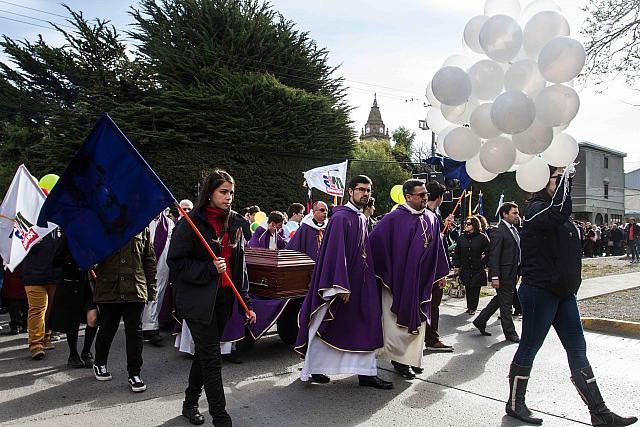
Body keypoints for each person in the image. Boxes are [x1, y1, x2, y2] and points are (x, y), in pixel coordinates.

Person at [505, 167, 638, 426]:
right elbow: (557, 211)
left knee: (578, 350)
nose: (564, 184)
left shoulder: (559, 214)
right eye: (558, 179)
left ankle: (600, 413)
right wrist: (563, 179)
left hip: (564, 293)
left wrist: (565, 176)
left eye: (564, 179)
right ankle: (515, 404)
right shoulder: (536, 210)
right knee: (530, 347)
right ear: (543, 183)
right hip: (539, 292)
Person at [167, 170, 256, 426]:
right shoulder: (190, 222)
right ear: (209, 193)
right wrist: (208, 269)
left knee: (207, 354)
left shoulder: (237, 222)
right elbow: (176, 262)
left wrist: (246, 303)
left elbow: (240, 267)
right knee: (212, 359)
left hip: (225, 298)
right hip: (197, 301)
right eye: (223, 192)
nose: (229, 197)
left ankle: (189, 403)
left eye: (231, 193)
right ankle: (221, 418)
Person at [294, 175, 392, 390]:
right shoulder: (341, 218)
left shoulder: (361, 218)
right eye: (361, 189)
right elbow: (335, 254)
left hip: (363, 283)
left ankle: (366, 373)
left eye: (368, 190)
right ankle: (315, 367)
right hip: (344, 285)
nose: (365, 193)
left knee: (367, 323)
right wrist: (340, 285)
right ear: (350, 191)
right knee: (327, 323)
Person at [369, 179, 449, 379]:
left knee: (420, 323)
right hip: (397, 282)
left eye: (426, 195)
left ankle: (413, 359)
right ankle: (399, 361)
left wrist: (440, 274)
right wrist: (385, 273)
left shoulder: (431, 218)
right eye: (420, 195)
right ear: (408, 197)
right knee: (397, 325)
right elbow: (374, 245)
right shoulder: (393, 219)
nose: (425, 198)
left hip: (421, 282)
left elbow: (437, 248)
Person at [92, 231, 157, 393]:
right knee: (107, 328)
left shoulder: (142, 226)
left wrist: (151, 289)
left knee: (134, 332)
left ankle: (134, 373)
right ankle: (99, 362)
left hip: (135, 289)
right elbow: (91, 256)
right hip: (109, 289)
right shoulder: (102, 224)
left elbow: (149, 259)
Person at [473, 202, 521, 343]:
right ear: (504, 214)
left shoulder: (514, 229)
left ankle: (480, 320)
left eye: (517, 212)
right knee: (506, 304)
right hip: (503, 274)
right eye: (514, 213)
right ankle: (510, 333)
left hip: (513, 273)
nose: (517, 215)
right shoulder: (498, 231)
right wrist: (495, 276)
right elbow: (494, 255)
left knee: (500, 300)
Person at [49, 248, 98, 368]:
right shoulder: (68, 235)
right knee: (73, 321)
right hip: (71, 284)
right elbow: (56, 261)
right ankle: (73, 354)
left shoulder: (95, 232)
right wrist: (73, 260)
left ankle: (86, 352)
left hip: (90, 284)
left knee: (93, 318)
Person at [22, 228, 65, 360]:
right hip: (33, 274)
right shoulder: (27, 221)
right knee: (37, 309)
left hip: (54, 274)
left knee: (50, 309)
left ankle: (46, 335)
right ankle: (36, 345)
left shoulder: (57, 222)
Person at [424, 181, 454, 352]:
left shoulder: (434, 215)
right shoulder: (427, 215)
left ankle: (431, 336)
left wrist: (445, 226)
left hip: (434, 269)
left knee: (432, 305)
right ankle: (431, 338)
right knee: (430, 305)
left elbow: (439, 240)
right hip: (431, 270)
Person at [141, 212, 175, 346]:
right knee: (148, 295)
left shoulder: (169, 223)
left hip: (163, 266)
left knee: (158, 295)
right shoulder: (143, 220)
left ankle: (151, 326)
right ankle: (148, 328)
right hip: (145, 263)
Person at [454, 216, 490, 315]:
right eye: (466, 223)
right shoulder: (461, 237)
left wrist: (482, 262)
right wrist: (457, 265)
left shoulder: (482, 237)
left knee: (475, 288)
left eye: (468, 224)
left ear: (474, 225)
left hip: (477, 268)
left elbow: (488, 252)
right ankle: (469, 306)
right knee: (468, 287)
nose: (466, 225)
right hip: (465, 267)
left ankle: (473, 307)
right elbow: (457, 252)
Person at [2, 265, 28, 334]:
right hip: (26, 278)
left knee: (14, 306)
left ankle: (16, 326)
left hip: (12, 279)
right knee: (26, 306)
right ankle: (25, 326)